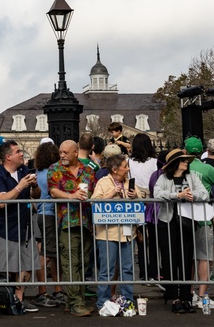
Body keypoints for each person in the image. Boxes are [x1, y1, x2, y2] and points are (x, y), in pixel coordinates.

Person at [153, 148, 208, 313]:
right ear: (175, 163)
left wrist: (193, 196)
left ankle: (186, 297)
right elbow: (157, 194)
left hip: (187, 222)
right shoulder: (163, 178)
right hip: (168, 222)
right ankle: (174, 297)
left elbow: (204, 193)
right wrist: (177, 195)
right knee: (171, 260)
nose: (186, 163)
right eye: (183, 160)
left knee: (186, 260)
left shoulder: (192, 177)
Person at [0, 140, 38, 313]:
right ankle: (7, 299)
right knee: (8, 267)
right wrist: (20, 186)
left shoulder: (25, 170)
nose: (21, 154)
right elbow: (1, 201)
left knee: (27, 263)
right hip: (6, 228)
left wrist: (34, 185)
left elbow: (36, 196)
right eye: (18, 152)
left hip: (25, 225)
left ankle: (19, 299)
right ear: (8, 157)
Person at [47, 139, 96, 317]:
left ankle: (73, 299)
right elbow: (53, 191)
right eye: (60, 152)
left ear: (76, 152)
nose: (62, 156)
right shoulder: (55, 169)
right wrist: (71, 195)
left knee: (83, 263)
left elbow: (94, 191)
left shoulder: (88, 170)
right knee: (70, 263)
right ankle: (76, 302)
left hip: (86, 222)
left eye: (65, 153)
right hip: (67, 222)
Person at [91, 154, 138, 312]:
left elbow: (141, 202)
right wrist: (110, 194)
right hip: (107, 233)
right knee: (107, 270)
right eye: (125, 166)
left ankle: (127, 301)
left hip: (128, 232)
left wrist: (135, 196)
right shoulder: (103, 182)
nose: (128, 169)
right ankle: (102, 302)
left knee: (128, 268)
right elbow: (94, 202)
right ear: (115, 169)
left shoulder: (130, 183)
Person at [183, 136, 214, 307]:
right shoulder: (207, 169)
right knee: (204, 257)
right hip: (204, 218)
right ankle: (203, 295)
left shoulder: (182, 168)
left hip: (186, 218)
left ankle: (190, 293)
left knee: (189, 257)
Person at [32, 141, 61, 308]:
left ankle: (56, 290)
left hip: (42, 213)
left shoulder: (39, 172)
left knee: (51, 253)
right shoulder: (52, 172)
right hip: (50, 214)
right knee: (46, 255)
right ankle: (42, 292)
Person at [128, 133, 159, 282]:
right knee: (153, 239)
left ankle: (143, 272)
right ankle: (153, 271)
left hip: (136, 201)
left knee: (140, 239)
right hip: (151, 200)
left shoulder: (129, 162)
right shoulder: (154, 162)